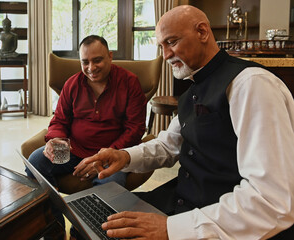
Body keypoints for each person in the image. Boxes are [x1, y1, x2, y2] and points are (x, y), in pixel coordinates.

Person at [84, 5, 294, 240]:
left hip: (225, 221)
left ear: (202, 32)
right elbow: (168, 146)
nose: (165, 56)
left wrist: (170, 229)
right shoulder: (192, 91)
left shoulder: (252, 85)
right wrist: (125, 157)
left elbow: (271, 201)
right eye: (161, 47)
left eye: (171, 42)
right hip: (183, 201)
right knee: (97, 219)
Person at [25, 35, 146, 189]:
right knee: (35, 163)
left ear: (110, 57)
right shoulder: (72, 84)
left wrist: (104, 158)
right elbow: (60, 119)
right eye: (85, 62)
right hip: (74, 150)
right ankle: (54, 213)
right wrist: (54, 139)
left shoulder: (130, 83)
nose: (91, 68)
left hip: (112, 153)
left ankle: (95, 213)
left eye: (97, 60)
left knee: (110, 185)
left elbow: (135, 129)